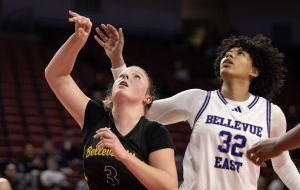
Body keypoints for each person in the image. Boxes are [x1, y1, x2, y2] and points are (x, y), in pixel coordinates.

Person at [96, 23, 300, 189]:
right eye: (228, 53)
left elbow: (282, 163)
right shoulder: (198, 99)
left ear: (254, 71)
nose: (229, 55)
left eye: (239, 54)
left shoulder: (271, 113)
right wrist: (117, 62)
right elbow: (139, 110)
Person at [45, 10, 178, 190]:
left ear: (148, 98)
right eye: (122, 75)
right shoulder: (94, 116)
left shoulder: (154, 132)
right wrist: (78, 39)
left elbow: (169, 187)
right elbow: (56, 75)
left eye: (136, 76)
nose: (125, 77)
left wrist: (123, 155)